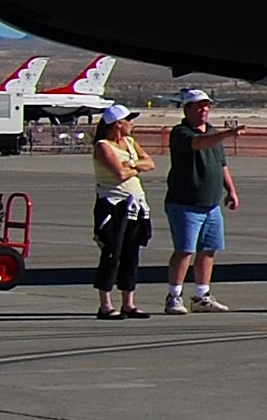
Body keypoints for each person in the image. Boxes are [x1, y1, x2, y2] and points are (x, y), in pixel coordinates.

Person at [160, 88, 240, 310]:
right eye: (198, 106)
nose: (204, 110)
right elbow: (198, 143)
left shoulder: (213, 132)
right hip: (185, 203)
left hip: (211, 203)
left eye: (206, 106)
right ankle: (174, 295)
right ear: (187, 110)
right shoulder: (181, 132)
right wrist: (226, 134)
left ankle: (201, 294)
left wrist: (231, 190)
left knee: (208, 249)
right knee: (185, 249)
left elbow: (221, 165)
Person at [90, 101, 154, 319]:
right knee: (111, 252)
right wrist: (133, 167)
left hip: (135, 204)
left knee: (131, 253)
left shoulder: (129, 142)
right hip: (113, 204)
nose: (131, 124)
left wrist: (133, 166)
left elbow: (150, 163)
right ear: (117, 124)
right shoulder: (103, 146)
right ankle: (105, 304)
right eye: (128, 120)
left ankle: (129, 302)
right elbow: (119, 174)